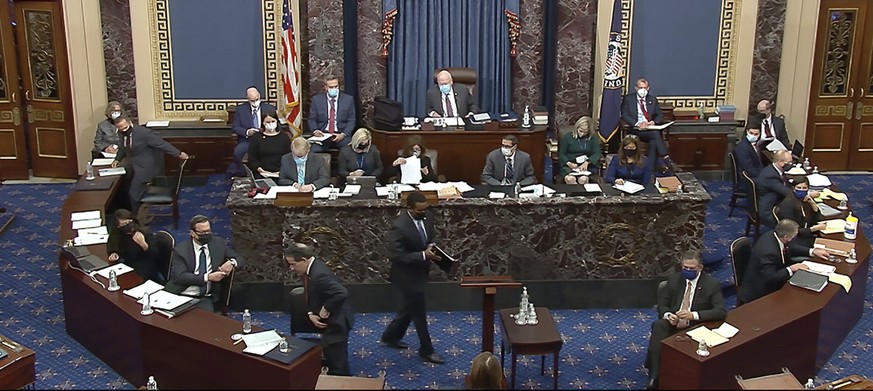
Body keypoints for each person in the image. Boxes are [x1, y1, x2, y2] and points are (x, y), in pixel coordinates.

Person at [380, 191, 445, 365]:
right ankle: (427, 349)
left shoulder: (427, 215)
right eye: (420, 211)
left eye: (425, 209)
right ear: (409, 208)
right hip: (406, 275)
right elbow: (397, 256)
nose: (424, 213)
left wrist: (431, 246)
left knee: (409, 308)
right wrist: (423, 255)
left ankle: (390, 336)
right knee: (419, 312)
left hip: (420, 271)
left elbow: (430, 236)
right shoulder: (399, 226)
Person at [644, 252, 726, 390]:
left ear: (700, 267)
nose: (687, 271)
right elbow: (662, 305)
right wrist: (668, 315)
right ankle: (655, 375)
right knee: (658, 326)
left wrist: (693, 315)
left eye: (691, 268)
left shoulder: (712, 285)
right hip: (673, 322)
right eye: (685, 268)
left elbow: (720, 311)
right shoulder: (674, 280)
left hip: (695, 325)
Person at [284, 242, 353, 376]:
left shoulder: (319, 275)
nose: (291, 268)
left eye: (293, 264)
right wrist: (311, 313)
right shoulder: (310, 269)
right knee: (332, 356)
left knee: (337, 363)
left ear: (304, 259)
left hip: (337, 322)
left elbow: (341, 293)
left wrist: (326, 308)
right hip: (330, 321)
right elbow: (310, 292)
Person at [166, 215, 244, 313]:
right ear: (192, 233)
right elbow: (180, 277)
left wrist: (231, 263)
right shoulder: (181, 250)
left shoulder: (218, 243)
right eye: (202, 232)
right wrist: (208, 277)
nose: (206, 234)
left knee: (206, 323)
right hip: (181, 293)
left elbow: (240, 258)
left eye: (208, 231)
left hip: (205, 297)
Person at [740, 219, 829, 304]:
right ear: (786, 237)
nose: (794, 238)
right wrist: (791, 269)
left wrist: (812, 251)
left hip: (772, 273)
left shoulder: (774, 234)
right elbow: (771, 278)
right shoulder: (769, 252)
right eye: (793, 237)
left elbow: (791, 247)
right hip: (760, 288)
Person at [111, 116, 189, 213]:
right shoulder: (121, 133)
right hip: (132, 166)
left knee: (133, 193)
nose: (123, 130)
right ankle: (131, 212)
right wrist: (117, 159)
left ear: (130, 123)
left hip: (145, 168)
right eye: (120, 129)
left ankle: (136, 218)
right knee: (124, 187)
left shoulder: (143, 133)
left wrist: (178, 153)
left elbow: (161, 144)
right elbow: (122, 147)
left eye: (125, 127)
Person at [620, 78, 672, 170]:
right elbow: (624, 115)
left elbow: (659, 115)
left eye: (645, 87)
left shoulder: (652, 99)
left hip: (649, 128)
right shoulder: (629, 99)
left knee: (653, 142)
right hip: (636, 129)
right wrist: (637, 124)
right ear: (636, 88)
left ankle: (649, 169)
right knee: (655, 135)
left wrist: (653, 122)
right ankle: (666, 158)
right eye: (640, 87)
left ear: (648, 88)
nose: (642, 90)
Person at [231, 86, 278, 176]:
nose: (255, 102)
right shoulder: (241, 110)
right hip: (249, 140)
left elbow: (278, 125)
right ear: (247, 99)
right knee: (238, 152)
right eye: (252, 100)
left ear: (259, 96)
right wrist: (247, 132)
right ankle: (244, 175)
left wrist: (268, 129)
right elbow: (236, 127)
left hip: (266, 138)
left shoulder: (269, 108)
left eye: (256, 99)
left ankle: (270, 173)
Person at [106, 209, 161, 283]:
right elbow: (112, 246)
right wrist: (114, 253)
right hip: (125, 266)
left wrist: (143, 244)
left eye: (129, 222)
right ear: (118, 226)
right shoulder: (117, 234)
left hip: (144, 266)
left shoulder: (144, 232)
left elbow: (155, 254)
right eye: (125, 223)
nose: (128, 225)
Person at [309, 75, 356, 152]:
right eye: (331, 87)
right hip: (323, 134)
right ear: (325, 87)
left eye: (336, 86)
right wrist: (315, 131)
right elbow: (312, 119)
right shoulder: (317, 100)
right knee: (314, 150)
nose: (334, 89)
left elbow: (351, 121)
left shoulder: (348, 100)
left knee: (349, 151)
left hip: (341, 134)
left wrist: (343, 134)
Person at [777, 176, 826, 248]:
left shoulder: (805, 200)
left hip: (806, 234)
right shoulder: (788, 204)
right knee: (824, 245)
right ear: (793, 188)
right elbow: (789, 231)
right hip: (794, 239)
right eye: (799, 188)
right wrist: (812, 229)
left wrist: (813, 204)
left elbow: (818, 219)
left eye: (804, 188)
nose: (802, 190)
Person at [755, 150, 796, 227]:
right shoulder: (770, 176)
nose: (791, 165)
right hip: (769, 209)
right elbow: (786, 192)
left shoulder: (774, 170)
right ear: (780, 162)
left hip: (773, 200)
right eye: (789, 162)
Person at [558, 116, 602, 185]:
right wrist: (569, 163)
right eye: (580, 131)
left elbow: (597, 153)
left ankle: (583, 195)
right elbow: (561, 154)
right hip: (569, 166)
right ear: (577, 127)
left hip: (585, 166)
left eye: (585, 132)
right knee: (570, 179)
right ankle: (574, 195)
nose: (582, 134)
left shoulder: (593, 138)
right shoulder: (568, 137)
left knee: (583, 179)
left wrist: (587, 162)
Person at [246, 112, 290, 179]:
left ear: (276, 121)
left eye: (273, 121)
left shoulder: (284, 137)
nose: (270, 124)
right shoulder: (256, 137)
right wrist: (262, 171)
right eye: (268, 122)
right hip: (262, 173)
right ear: (263, 123)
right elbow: (252, 158)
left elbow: (289, 157)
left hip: (281, 173)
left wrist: (280, 172)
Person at [734, 116, 765, 180]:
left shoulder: (755, 145)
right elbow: (749, 169)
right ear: (747, 131)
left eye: (756, 134)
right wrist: (765, 176)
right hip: (749, 179)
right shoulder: (742, 148)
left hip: (757, 173)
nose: (753, 136)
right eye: (751, 133)